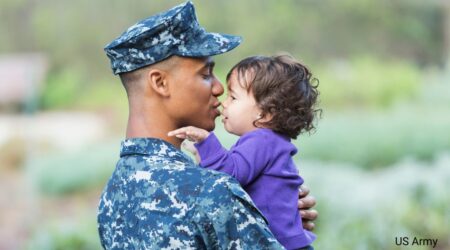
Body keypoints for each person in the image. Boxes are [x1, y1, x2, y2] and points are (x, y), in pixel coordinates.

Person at [98, 1, 318, 249]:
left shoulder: (112, 194)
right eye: (205, 75)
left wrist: (274, 213)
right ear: (160, 83)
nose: (219, 88)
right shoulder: (211, 193)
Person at [168, 54, 319, 250]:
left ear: (264, 113)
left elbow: (230, 175)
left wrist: (205, 142)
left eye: (233, 97)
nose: (224, 102)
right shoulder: (268, 141)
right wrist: (200, 153)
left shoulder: (262, 140)